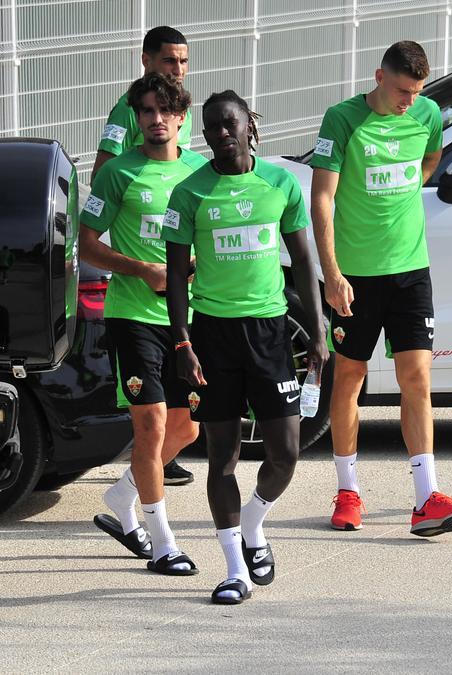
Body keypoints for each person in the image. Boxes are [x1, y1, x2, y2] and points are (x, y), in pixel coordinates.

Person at [164, 90, 327, 604]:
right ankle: (234, 568)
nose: (220, 134)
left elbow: (303, 261)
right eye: (211, 127)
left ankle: (255, 523)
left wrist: (318, 332)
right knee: (222, 457)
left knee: (285, 453)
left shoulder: (280, 182)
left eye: (229, 124)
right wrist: (181, 341)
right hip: (212, 335)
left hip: (271, 333)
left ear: (249, 125)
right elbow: (173, 277)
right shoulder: (188, 193)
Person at [310, 41, 452, 536]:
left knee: (417, 379)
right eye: (403, 89)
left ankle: (427, 497)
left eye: (417, 91)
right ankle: (347, 490)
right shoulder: (341, 119)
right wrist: (332, 272)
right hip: (356, 276)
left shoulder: (426, 113)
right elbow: (322, 198)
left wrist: (403, 198)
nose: (410, 100)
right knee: (350, 379)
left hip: (411, 270)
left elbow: (430, 160)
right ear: (379, 76)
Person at [81, 73, 208, 575]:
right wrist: (144, 270)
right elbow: (87, 245)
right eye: (146, 112)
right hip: (133, 315)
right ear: (137, 119)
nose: (155, 121)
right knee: (151, 425)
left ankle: (122, 495)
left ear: (181, 118)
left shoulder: (202, 171)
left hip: (192, 317)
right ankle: (162, 544)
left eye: (164, 112)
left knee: (188, 429)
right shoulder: (117, 174)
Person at [92, 25, 191, 179]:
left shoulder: (182, 105)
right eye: (170, 61)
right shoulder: (128, 108)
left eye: (183, 61)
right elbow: (100, 177)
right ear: (146, 61)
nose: (178, 70)